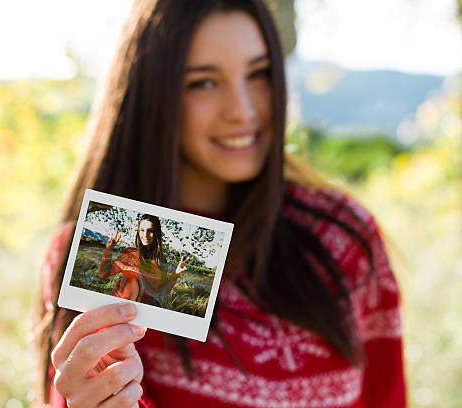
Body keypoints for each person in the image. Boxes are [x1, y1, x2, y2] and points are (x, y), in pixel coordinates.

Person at [35, 0, 406, 407]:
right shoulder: (100, 252)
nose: (243, 111)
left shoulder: (341, 239)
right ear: (153, 94)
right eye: (203, 83)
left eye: (259, 74)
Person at [98, 214, 189, 305]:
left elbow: (162, 293)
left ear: (156, 233)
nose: (145, 235)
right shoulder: (129, 252)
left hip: (140, 312)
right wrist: (108, 250)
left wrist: (177, 273)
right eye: (142, 230)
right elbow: (104, 273)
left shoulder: (160, 261)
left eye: (150, 231)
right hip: (116, 305)